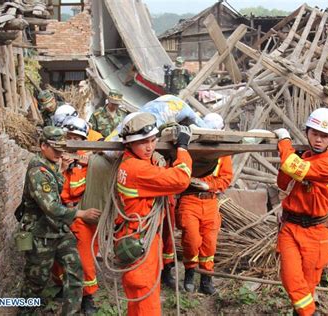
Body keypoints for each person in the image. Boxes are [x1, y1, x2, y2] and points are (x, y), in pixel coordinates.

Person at [18, 126, 101, 315]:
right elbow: (52, 207)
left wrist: (62, 168)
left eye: (61, 150)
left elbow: (58, 187)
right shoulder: (37, 171)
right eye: (55, 150)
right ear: (43, 146)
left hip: (59, 231)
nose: (59, 154)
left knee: (75, 271)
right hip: (41, 234)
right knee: (36, 281)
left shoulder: (53, 164)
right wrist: (81, 214)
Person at [115, 112, 193, 315]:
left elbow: (149, 166)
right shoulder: (137, 169)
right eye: (143, 142)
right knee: (146, 301)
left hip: (136, 239)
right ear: (129, 144)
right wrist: (182, 148)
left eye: (152, 140)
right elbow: (181, 179)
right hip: (141, 244)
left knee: (137, 302)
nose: (150, 147)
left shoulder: (128, 162)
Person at [273, 108, 328, 316]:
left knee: (308, 286)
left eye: (325, 136)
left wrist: (284, 142)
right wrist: (294, 159)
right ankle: (311, 313)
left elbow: (292, 167)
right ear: (308, 132)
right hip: (291, 228)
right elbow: (282, 181)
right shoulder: (304, 158)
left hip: (316, 232)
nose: (319, 140)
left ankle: (303, 312)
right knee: (291, 277)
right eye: (315, 134)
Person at [176, 113, 233, 295]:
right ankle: (190, 273)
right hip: (189, 200)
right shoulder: (190, 148)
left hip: (210, 202)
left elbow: (226, 179)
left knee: (209, 244)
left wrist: (209, 185)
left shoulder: (223, 154)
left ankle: (206, 280)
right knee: (192, 241)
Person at [50, 117, 100, 314]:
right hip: (60, 215)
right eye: (69, 137)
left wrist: (88, 161)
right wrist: (62, 168)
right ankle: (64, 287)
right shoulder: (54, 162)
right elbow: (52, 192)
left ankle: (88, 298)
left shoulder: (92, 163)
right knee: (57, 259)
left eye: (77, 139)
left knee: (85, 259)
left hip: (82, 217)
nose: (73, 142)